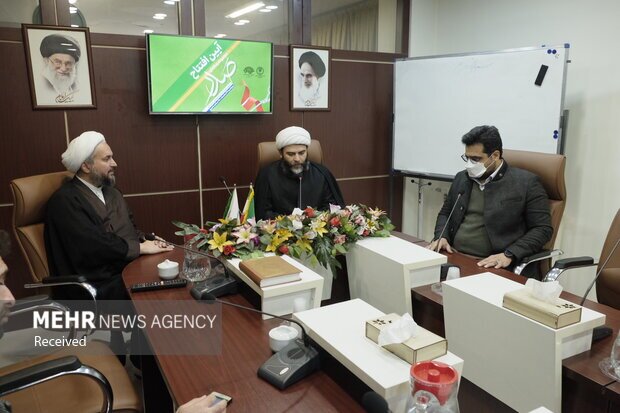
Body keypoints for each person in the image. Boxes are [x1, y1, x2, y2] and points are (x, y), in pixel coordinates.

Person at [44, 131, 173, 300]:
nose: (115, 163)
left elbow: (128, 230)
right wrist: (140, 248)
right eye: (107, 159)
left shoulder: (112, 193)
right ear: (86, 166)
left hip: (124, 272)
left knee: (171, 276)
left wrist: (147, 240)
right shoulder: (64, 202)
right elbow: (92, 246)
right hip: (94, 286)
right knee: (159, 291)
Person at [428, 125, 553, 278]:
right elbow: (446, 213)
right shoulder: (462, 178)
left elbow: (542, 229)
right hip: (454, 256)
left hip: (493, 264)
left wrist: (509, 254)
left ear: (495, 156)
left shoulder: (527, 183)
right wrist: (441, 236)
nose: (469, 164)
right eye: (467, 158)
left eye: (476, 159)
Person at [254, 126, 345, 219]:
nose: (297, 159)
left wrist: (313, 219)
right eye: (291, 154)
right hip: (280, 227)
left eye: (301, 153)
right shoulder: (267, 176)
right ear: (281, 153)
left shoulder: (321, 174)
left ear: (307, 151)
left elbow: (332, 207)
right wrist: (289, 221)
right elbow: (263, 213)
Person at [37, 34, 82, 103]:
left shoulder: (77, 87)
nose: (63, 68)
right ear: (46, 61)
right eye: (58, 62)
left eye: (68, 63)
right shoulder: (40, 85)